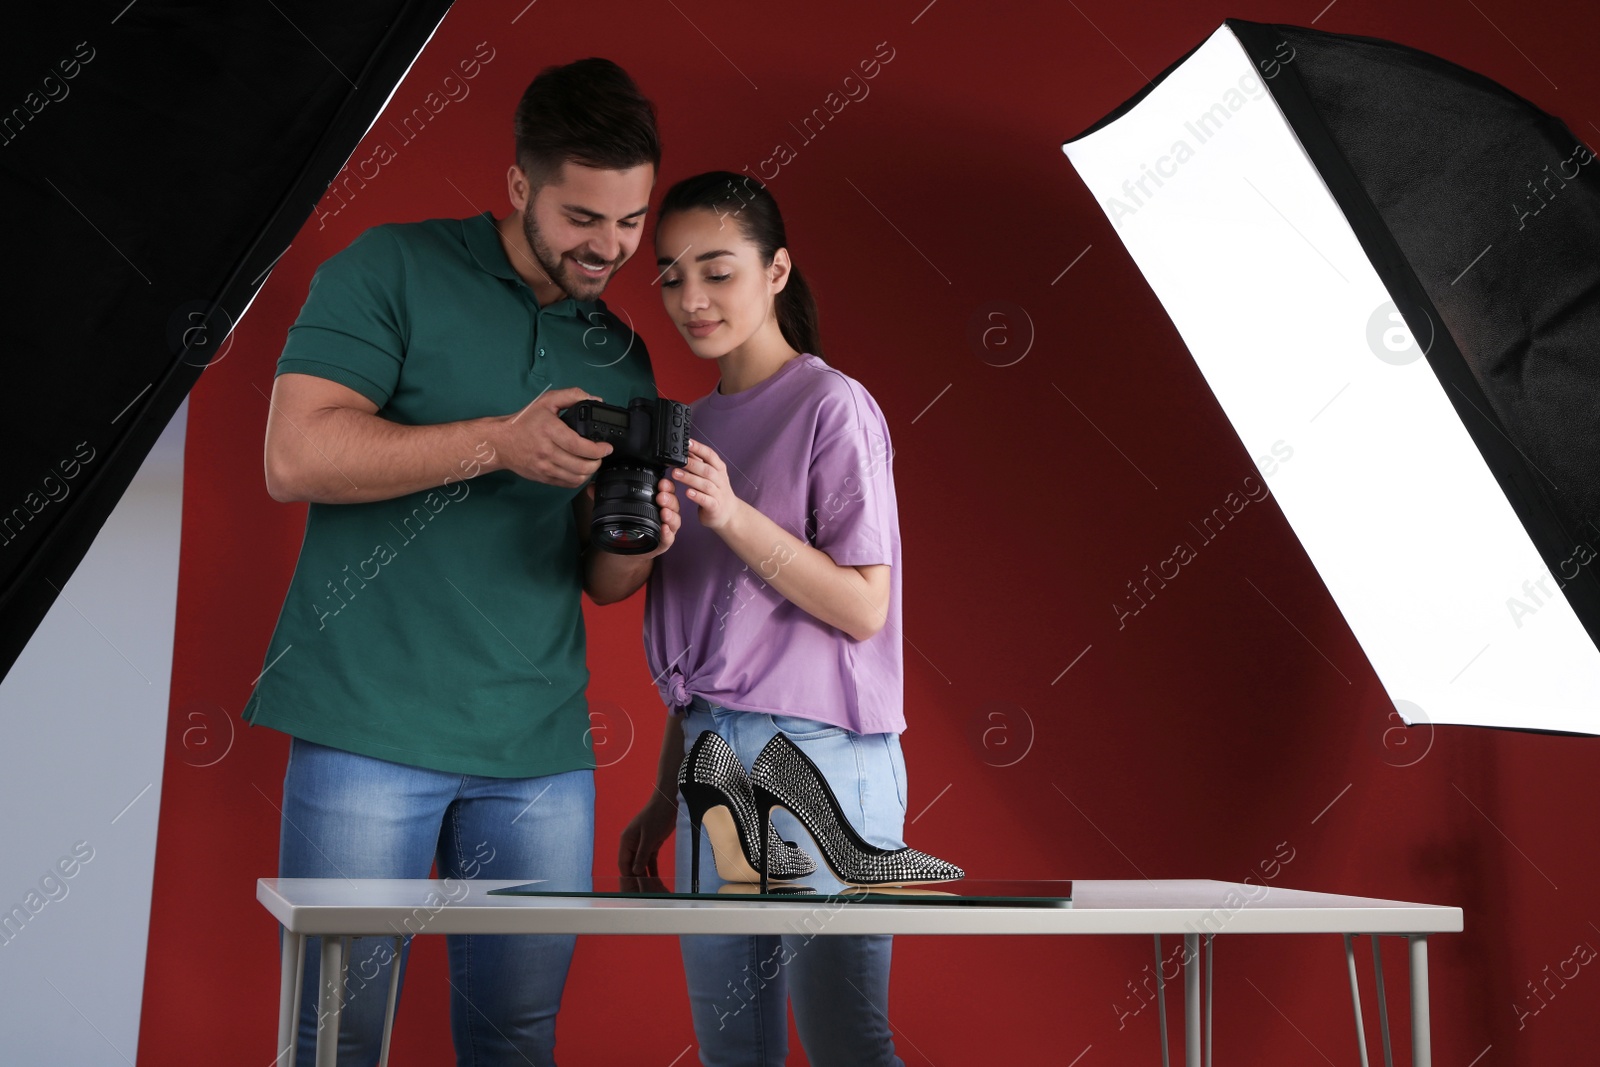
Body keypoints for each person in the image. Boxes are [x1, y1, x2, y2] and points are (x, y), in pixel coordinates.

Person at [244, 58, 676, 1066]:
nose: (608, 247)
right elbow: (293, 454)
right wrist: (498, 442)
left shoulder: (622, 350)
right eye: (583, 217)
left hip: (538, 751)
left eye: (629, 220)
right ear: (520, 186)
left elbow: (604, 582)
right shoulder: (388, 267)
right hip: (366, 727)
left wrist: (647, 534)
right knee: (336, 1036)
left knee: (515, 1039)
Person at [618, 171, 919, 1067]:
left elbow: (865, 605)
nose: (692, 297)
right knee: (731, 1052)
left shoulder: (834, 406)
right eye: (671, 274)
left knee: (846, 1047)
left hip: (822, 756)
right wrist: (663, 794)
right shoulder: (693, 424)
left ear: (777, 269)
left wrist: (735, 515)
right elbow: (709, 650)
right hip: (711, 755)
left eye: (718, 270)